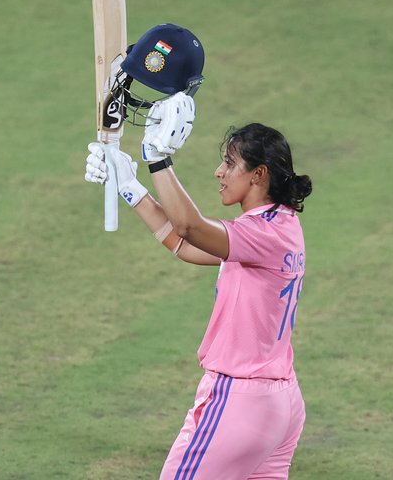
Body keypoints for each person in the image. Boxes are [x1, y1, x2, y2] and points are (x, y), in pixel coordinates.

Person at [84, 29, 313, 479]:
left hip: (239, 403)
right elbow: (186, 245)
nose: (219, 172)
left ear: (259, 174)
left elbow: (189, 227)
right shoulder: (279, 226)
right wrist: (129, 187)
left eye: (230, 164)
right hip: (279, 405)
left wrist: (156, 158)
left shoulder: (262, 235)